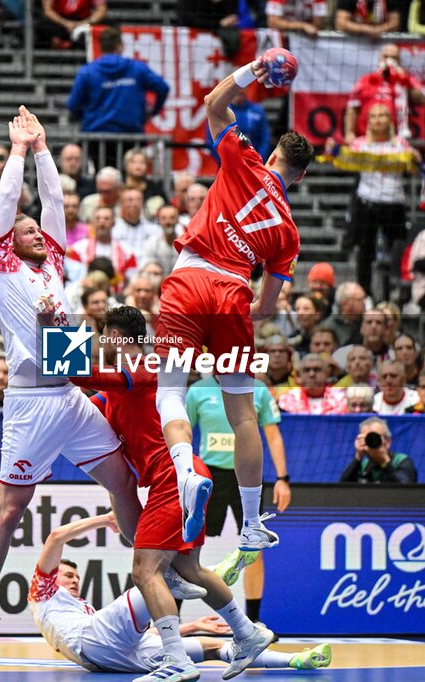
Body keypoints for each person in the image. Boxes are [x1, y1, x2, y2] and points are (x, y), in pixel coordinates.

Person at [0, 106, 143, 658]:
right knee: (10, 509)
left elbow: (54, 203)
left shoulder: (51, 266)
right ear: (5, 242)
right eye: (25, 230)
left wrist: (44, 149)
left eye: (38, 230)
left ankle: (152, 588)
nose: (37, 232)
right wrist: (18, 151)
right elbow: (8, 204)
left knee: (123, 484)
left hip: (68, 393)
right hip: (29, 403)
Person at [152, 56, 314, 551]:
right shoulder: (288, 235)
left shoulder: (243, 157)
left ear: (272, 159)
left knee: (170, 391)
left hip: (190, 276)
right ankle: (249, 523)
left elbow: (212, 103)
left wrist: (255, 69)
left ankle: (185, 473)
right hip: (233, 294)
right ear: (301, 180)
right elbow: (266, 308)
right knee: (242, 413)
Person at [73, 306, 279, 680]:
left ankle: (176, 660)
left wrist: (56, 334)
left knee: (145, 570)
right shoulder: (115, 391)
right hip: (178, 478)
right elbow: (82, 409)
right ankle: (247, 633)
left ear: (116, 337)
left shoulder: (146, 367)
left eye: (103, 335)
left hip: (173, 478)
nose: (101, 342)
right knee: (189, 568)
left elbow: (77, 373)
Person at [27, 512, 331, 678]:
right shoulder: (43, 593)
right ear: (52, 578)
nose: (75, 580)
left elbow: (143, 634)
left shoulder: (81, 609)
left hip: (112, 656)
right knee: (149, 578)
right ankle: (208, 571)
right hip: (92, 644)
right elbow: (56, 536)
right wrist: (106, 519)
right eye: (69, 575)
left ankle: (298, 660)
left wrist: (193, 627)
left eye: (77, 576)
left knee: (213, 647)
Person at [186, 363, 291, 625]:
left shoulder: (258, 390)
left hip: (247, 476)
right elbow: (182, 433)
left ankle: (254, 620)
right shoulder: (198, 391)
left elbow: (273, 436)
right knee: (185, 543)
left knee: (254, 546)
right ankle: (173, 618)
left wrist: (282, 479)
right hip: (209, 475)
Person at [331, 104, 415, 295]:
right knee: (364, 251)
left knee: (398, 250)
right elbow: (343, 164)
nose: (378, 119)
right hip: (367, 202)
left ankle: (398, 291)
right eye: (374, 116)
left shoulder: (401, 145)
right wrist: (333, 152)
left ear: (390, 120)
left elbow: (413, 169)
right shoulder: (360, 144)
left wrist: (415, 159)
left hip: (394, 202)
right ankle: (364, 293)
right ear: (368, 121)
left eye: (383, 115)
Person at [67, 27, 170, 135]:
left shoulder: (87, 71)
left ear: (101, 47)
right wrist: (153, 112)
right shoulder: (137, 68)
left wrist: (88, 118)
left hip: (95, 134)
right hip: (131, 134)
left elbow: (73, 105)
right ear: (120, 46)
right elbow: (163, 88)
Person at [344, 45, 425, 144]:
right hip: (366, 138)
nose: (389, 60)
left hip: (396, 139)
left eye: (393, 57)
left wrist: (403, 80)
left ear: (399, 61)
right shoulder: (365, 80)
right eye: (386, 57)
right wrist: (349, 132)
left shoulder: (406, 79)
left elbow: (421, 100)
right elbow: (352, 107)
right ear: (380, 59)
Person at [340, 417, 416, 484]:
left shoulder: (401, 461)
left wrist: (385, 461)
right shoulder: (363, 465)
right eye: (368, 439)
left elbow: (405, 490)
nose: (372, 442)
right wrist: (358, 457)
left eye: (375, 437)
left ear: (388, 441)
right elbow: (341, 490)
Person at [277, 353, 347, 414]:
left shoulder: (342, 399)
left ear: (327, 374)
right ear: (299, 376)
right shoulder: (286, 400)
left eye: (317, 370)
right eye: (307, 370)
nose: (311, 374)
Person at [37, 0, 107, 48]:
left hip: (83, 21)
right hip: (59, 21)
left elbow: (101, 10)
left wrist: (84, 23)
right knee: (40, 26)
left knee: (106, 27)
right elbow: (48, 10)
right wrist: (64, 22)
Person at [334, 0, 401, 36]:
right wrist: (367, 29)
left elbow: (395, 23)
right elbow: (340, 24)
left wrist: (377, 30)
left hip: (381, 43)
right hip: (353, 42)